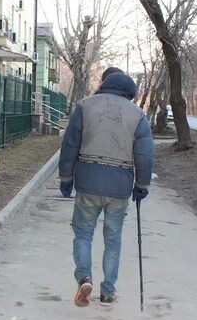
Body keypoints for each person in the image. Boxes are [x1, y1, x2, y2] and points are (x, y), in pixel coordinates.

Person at [59, 71, 154, 306]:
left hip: (88, 182)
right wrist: (141, 185)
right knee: (113, 239)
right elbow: (144, 155)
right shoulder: (138, 115)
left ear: (104, 85)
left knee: (83, 233)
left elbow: (70, 145)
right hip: (119, 187)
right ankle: (108, 290)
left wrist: (66, 178)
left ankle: (84, 277)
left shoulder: (84, 106)